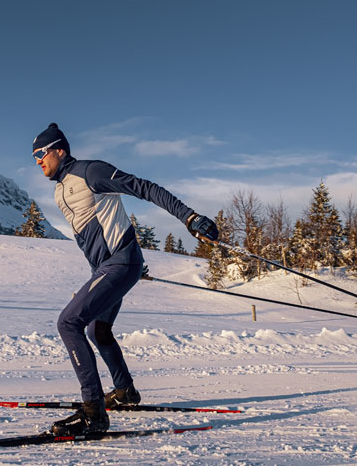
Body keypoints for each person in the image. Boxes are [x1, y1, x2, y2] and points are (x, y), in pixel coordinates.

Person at [31, 123, 218, 436]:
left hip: (119, 263)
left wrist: (189, 217)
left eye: (42, 153)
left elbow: (144, 188)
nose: (38, 160)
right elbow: (99, 231)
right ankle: (125, 392)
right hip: (111, 266)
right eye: (34, 156)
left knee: (68, 323)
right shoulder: (61, 188)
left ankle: (93, 413)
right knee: (97, 329)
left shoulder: (90, 172)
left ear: (60, 150)